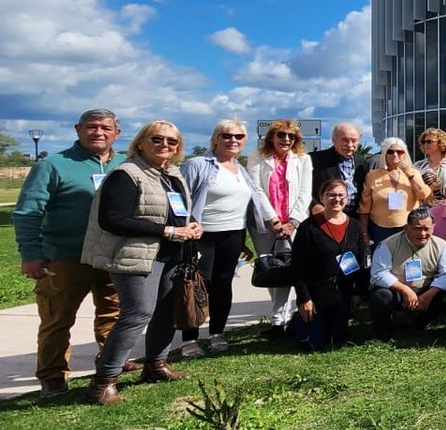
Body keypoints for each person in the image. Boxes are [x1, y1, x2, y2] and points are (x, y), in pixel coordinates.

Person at [81, 120, 203, 404]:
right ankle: (103, 381)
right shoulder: (126, 174)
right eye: (157, 139)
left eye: (172, 142)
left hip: (171, 253)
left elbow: (175, 212)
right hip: (135, 255)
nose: (165, 146)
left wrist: (192, 226)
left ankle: (156, 365)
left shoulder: (172, 175)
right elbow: (112, 219)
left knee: (165, 311)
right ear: (141, 142)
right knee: (137, 314)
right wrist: (169, 231)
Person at [14, 108, 129, 395]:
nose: (98, 132)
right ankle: (53, 375)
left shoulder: (128, 165)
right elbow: (27, 213)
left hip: (113, 256)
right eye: (91, 127)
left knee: (114, 314)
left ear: (118, 132)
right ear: (78, 129)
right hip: (65, 256)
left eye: (106, 127)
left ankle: (110, 365)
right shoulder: (53, 165)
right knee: (57, 319)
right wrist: (31, 254)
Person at [178, 119, 270, 358]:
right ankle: (190, 338)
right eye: (227, 136)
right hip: (202, 235)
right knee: (197, 286)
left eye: (239, 137)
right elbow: (179, 199)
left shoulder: (240, 169)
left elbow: (245, 205)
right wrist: (185, 227)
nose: (233, 141)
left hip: (232, 234)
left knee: (223, 284)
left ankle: (216, 332)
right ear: (216, 138)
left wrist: (244, 240)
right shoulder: (198, 164)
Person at [247, 119, 314, 337]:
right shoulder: (257, 157)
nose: (286, 139)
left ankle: (287, 319)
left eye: (291, 136)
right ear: (271, 137)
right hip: (266, 225)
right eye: (281, 135)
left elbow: (305, 192)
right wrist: (273, 220)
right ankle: (278, 320)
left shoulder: (303, 160)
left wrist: (292, 222)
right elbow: (255, 190)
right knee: (272, 269)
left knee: (292, 268)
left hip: (294, 224)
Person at [290, 179, 367, 352]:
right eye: (331, 194)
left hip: (342, 291)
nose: (336, 199)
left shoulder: (354, 226)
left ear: (347, 198)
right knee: (315, 344)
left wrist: (358, 293)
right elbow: (298, 266)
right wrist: (304, 298)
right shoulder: (308, 227)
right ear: (321, 197)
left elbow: (361, 261)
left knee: (337, 339)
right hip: (317, 293)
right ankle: (298, 322)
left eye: (341, 195)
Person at [368, 207, 446, 340]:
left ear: (433, 227)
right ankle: (383, 334)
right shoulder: (388, 245)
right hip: (398, 291)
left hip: (426, 290)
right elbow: (378, 274)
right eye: (417, 228)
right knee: (381, 295)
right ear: (406, 227)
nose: (422, 233)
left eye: (426, 228)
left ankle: (421, 322)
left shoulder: (442, 246)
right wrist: (405, 290)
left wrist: (429, 295)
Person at [358, 137, 433, 247]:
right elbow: (364, 208)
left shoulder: (414, 173)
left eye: (399, 151)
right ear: (384, 154)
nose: (395, 154)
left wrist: (409, 174)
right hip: (380, 229)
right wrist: (364, 233)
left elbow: (423, 195)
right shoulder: (372, 176)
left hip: (409, 227)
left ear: (404, 154)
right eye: (390, 151)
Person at [310, 122, 368, 216]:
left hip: (353, 218)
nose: (349, 145)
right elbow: (301, 189)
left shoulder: (363, 163)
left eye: (354, 141)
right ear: (334, 140)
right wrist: (314, 205)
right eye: (345, 140)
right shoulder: (315, 160)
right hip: (323, 216)